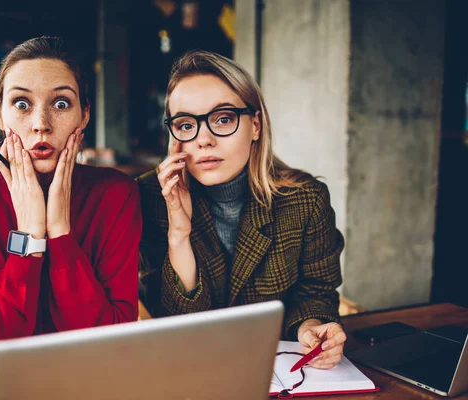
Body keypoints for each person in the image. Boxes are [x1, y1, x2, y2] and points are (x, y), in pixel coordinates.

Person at [0, 37, 142, 376]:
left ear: (84, 116)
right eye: (22, 103)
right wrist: (29, 237)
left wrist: (60, 234)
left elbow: (110, 347)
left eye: (61, 104)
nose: (41, 123)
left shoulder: (115, 193)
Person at [137, 50, 347, 369]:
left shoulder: (306, 199)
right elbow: (174, 323)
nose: (204, 140)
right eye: (185, 124)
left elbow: (316, 291)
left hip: (274, 370)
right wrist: (179, 235)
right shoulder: (149, 197)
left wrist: (311, 328)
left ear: (256, 126)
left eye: (223, 119)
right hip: (184, 371)